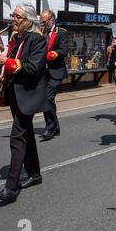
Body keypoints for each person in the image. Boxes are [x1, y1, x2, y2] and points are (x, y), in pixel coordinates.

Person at [0, 3, 47, 202]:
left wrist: (7, 62)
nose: (13, 19)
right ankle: (35, 174)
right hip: (15, 92)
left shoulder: (38, 39)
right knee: (27, 134)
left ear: (28, 21)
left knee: (17, 137)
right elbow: (14, 59)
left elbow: (33, 67)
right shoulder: (17, 37)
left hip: (28, 95)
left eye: (17, 16)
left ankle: (11, 188)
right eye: (13, 15)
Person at [39, 10, 68, 141]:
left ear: (51, 20)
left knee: (48, 98)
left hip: (56, 71)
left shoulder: (61, 32)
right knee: (47, 100)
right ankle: (54, 126)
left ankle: (50, 128)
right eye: (41, 22)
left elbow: (63, 50)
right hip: (43, 72)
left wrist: (50, 55)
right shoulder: (41, 32)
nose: (43, 24)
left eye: (44, 22)